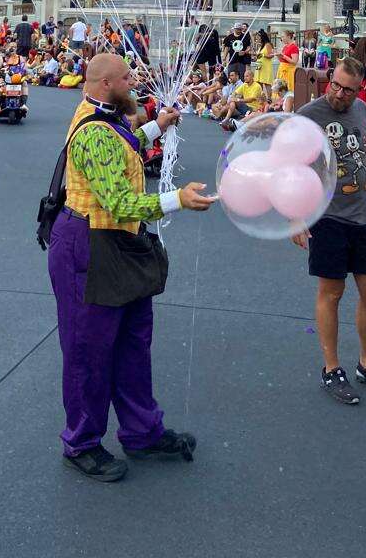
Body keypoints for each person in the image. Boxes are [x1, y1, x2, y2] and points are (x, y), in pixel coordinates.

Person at [46, 53, 213, 481]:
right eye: (126, 78)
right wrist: (177, 199)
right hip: (89, 245)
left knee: (132, 343)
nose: (133, 83)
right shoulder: (95, 132)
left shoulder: (106, 116)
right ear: (106, 85)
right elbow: (118, 201)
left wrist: (159, 125)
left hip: (116, 242)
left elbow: (125, 144)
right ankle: (81, 442)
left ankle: (142, 430)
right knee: (89, 350)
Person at [295, 57, 366, 404]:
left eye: (349, 90)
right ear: (329, 80)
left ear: (360, 90)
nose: (340, 95)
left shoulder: (361, 111)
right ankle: (331, 369)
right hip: (326, 216)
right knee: (332, 292)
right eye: (336, 86)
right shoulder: (308, 117)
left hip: (361, 214)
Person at [254, 30, 274, 101]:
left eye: (258, 37)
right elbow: (259, 56)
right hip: (259, 65)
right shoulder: (261, 46)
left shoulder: (268, 45)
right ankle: (261, 98)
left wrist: (262, 55)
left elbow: (271, 55)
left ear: (262, 37)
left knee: (266, 82)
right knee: (258, 82)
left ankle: (269, 98)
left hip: (266, 66)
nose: (257, 39)